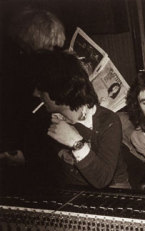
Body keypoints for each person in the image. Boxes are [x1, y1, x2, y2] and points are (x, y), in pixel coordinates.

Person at [30, 50, 130, 189]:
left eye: (41, 89)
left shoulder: (107, 121)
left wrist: (76, 142)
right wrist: (61, 152)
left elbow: (103, 179)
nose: (36, 94)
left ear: (59, 89)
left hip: (112, 193)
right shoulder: (52, 116)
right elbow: (51, 144)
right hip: (74, 192)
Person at [0, 7, 66, 172]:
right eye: (51, 46)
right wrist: (29, 157)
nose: (55, 51)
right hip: (28, 160)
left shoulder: (32, 66)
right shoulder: (19, 75)